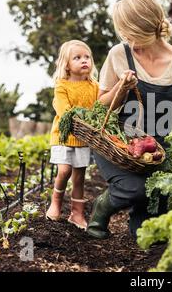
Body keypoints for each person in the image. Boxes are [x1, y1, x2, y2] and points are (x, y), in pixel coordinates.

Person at [87, 0, 172, 240]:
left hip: (154, 150)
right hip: (115, 142)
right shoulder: (119, 54)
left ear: (140, 28)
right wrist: (121, 87)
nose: (123, 36)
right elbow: (101, 105)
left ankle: (138, 215)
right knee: (133, 189)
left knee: (146, 232)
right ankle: (101, 208)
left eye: (125, 30)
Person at [46, 40, 99, 229]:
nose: (84, 61)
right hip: (63, 135)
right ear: (67, 64)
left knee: (79, 176)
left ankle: (77, 214)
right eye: (77, 58)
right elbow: (64, 110)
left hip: (84, 138)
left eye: (87, 57)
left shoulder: (94, 86)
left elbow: (100, 107)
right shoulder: (62, 85)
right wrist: (85, 119)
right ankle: (56, 202)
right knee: (64, 170)